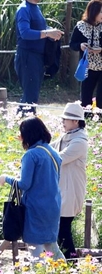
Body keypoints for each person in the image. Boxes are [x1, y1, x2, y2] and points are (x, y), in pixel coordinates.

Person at [0, 117, 63, 262]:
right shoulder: (52, 152)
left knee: (35, 248)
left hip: (36, 207)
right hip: (53, 205)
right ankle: (66, 273)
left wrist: (5, 178)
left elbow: (24, 184)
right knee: (51, 244)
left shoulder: (31, 155)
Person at [14, 0, 63, 112]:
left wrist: (52, 32)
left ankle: (22, 123)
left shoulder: (35, 8)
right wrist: (48, 33)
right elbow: (25, 33)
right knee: (31, 95)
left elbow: (39, 27)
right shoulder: (24, 9)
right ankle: (26, 125)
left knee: (31, 94)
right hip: (27, 56)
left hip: (36, 57)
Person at [53, 103, 88, 259]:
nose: (63, 121)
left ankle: (72, 261)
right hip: (61, 190)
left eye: (66, 119)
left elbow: (58, 158)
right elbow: (47, 149)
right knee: (61, 229)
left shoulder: (80, 142)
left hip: (72, 191)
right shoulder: (64, 137)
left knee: (64, 230)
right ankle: (68, 262)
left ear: (76, 121)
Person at [69, 0, 102, 110]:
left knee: (101, 99)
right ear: (94, 11)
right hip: (88, 67)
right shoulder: (80, 26)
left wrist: (100, 50)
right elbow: (72, 44)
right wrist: (80, 46)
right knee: (86, 98)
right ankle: (86, 121)